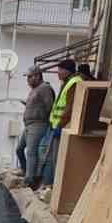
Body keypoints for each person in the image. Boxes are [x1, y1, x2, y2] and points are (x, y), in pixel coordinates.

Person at [41, 58, 79, 190]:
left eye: (60, 70)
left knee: (57, 159)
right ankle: (49, 185)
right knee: (51, 158)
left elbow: (70, 107)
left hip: (63, 126)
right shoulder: (67, 82)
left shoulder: (74, 83)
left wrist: (60, 125)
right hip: (56, 125)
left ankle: (56, 188)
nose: (58, 73)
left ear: (67, 70)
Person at [21, 68, 55, 189]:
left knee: (31, 152)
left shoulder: (44, 88)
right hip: (29, 124)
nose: (28, 80)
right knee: (19, 149)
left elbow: (49, 106)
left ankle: (30, 179)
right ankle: (26, 172)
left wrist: (42, 117)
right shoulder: (34, 90)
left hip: (38, 124)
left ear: (37, 76)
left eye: (30, 77)